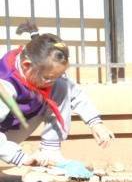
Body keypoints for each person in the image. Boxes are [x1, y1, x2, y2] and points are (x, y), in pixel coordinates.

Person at [0, 23, 114, 169]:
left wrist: (96, 124)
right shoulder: (6, 85)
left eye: (56, 76)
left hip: (12, 127)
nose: (51, 82)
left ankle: (51, 151)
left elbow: (74, 92)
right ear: (26, 65)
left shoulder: (42, 70)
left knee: (62, 86)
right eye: (47, 78)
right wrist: (19, 157)